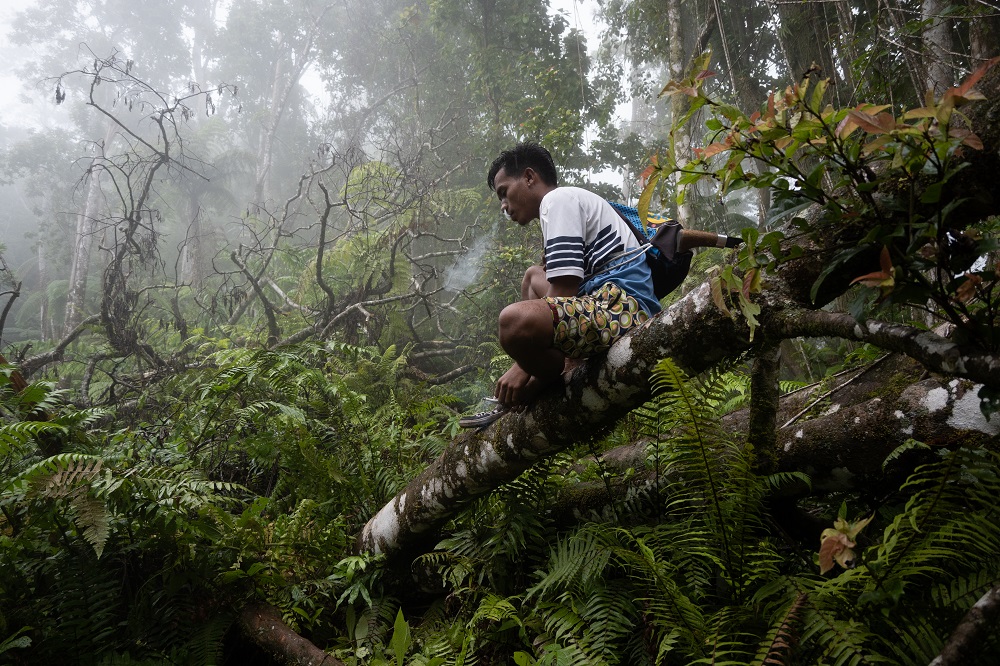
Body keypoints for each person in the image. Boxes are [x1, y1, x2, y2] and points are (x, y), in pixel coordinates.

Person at [459, 142, 736, 428]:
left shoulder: (557, 201)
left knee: (513, 322)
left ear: (529, 177)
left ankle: (538, 382)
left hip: (620, 307)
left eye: (504, 193)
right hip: (598, 302)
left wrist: (521, 366)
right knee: (532, 277)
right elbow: (561, 293)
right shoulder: (567, 204)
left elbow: (563, 294)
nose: (504, 206)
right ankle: (557, 369)